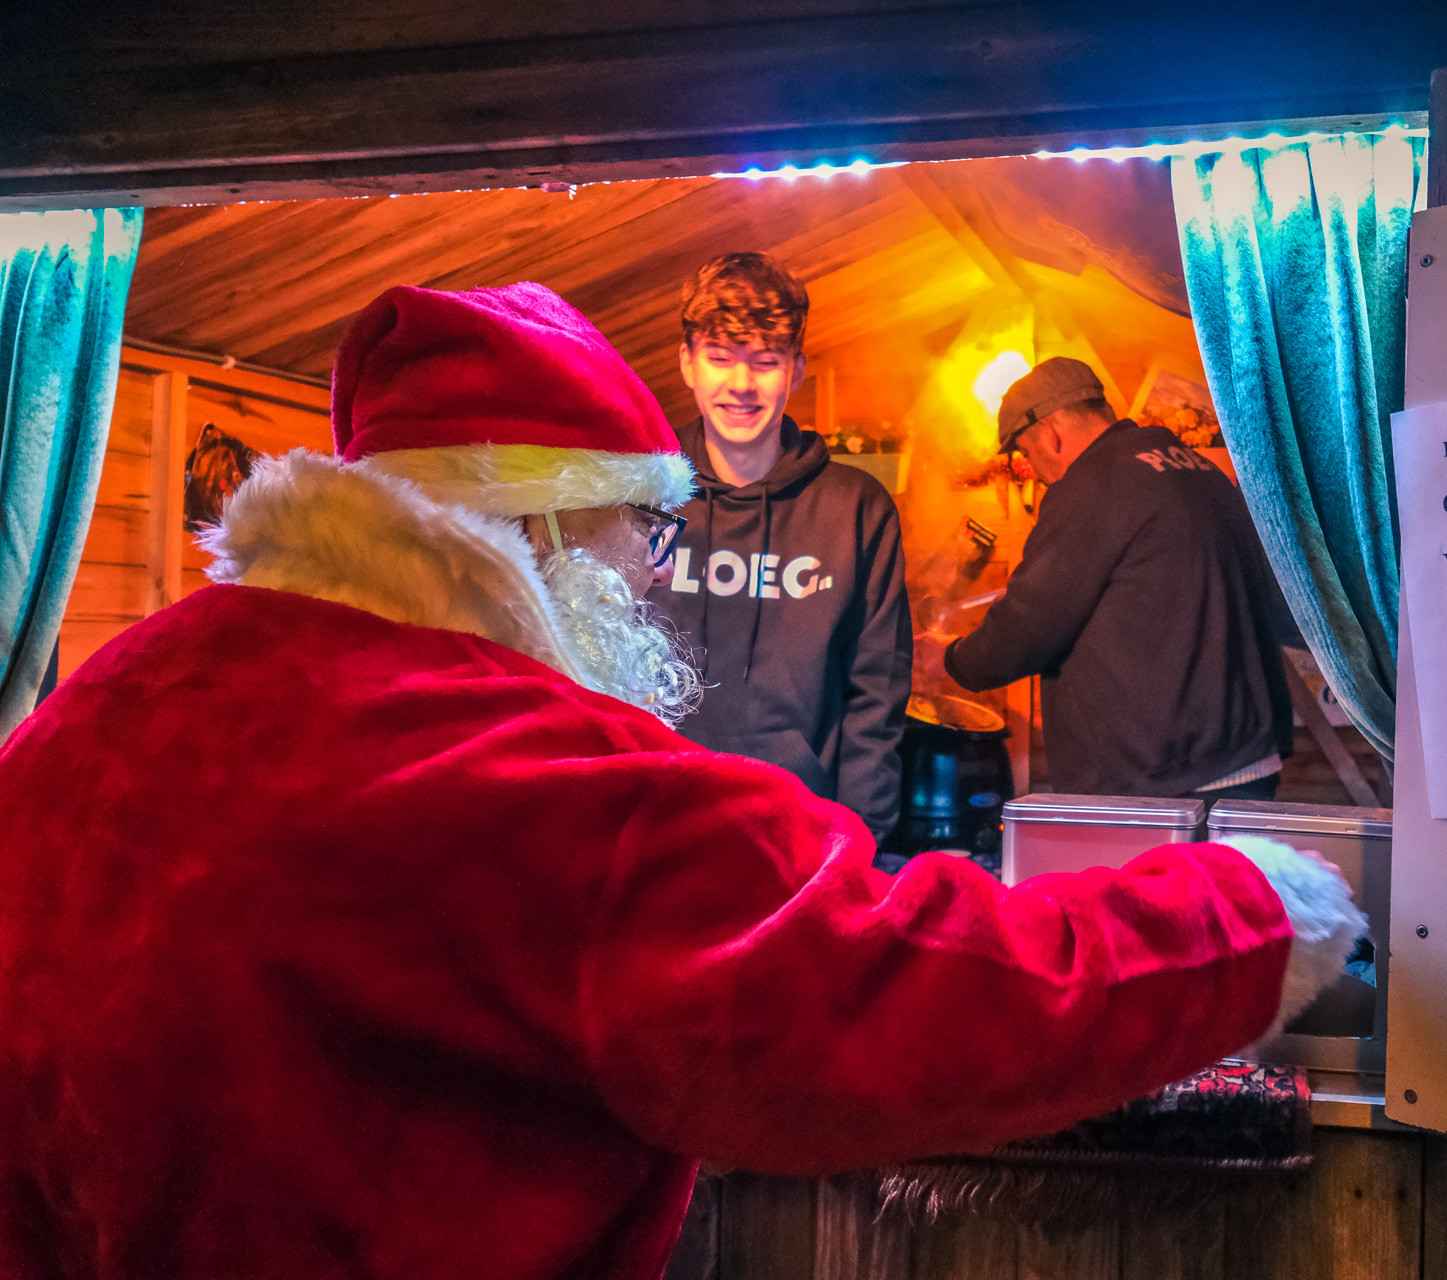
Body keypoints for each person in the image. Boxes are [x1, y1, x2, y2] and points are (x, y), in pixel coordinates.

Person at [0, 284, 1362, 1280]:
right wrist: (1245, 914)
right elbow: (894, 994)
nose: (651, 570)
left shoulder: (114, 695)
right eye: (639, 526)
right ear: (540, 517)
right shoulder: (535, 776)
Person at [940, 357, 1299, 800]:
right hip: (1247, 759)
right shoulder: (1202, 472)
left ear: (1050, 435)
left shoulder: (1092, 487)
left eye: (1026, 453)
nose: (1034, 470)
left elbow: (1027, 626)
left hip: (1165, 779)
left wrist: (952, 660)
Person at [646, 252, 910, 841]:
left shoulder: (856, 509)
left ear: (796, 370)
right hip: (655, 823)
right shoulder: (639, 493)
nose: (742, 385)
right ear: (687, 363)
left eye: (765, 362)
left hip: (802, 836)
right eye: (720, 358)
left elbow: (876, 695)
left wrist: (860, 841)